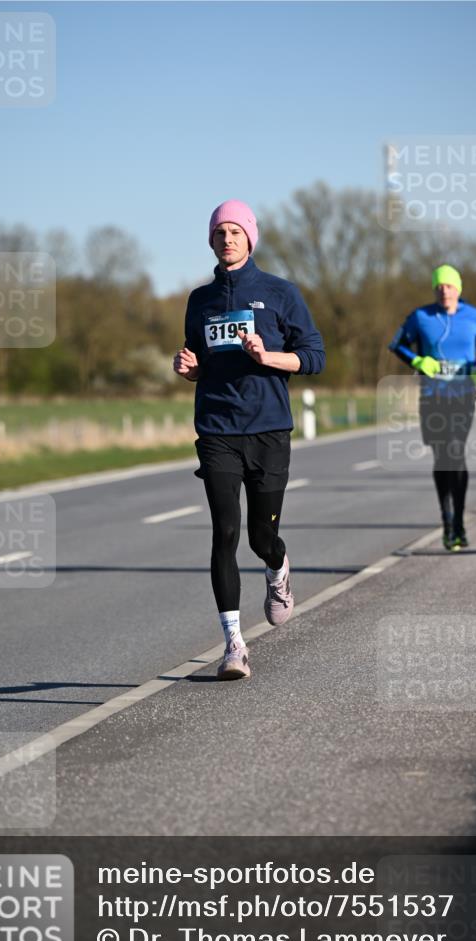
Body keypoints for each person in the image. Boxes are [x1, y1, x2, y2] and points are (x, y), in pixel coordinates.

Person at [174, 199, 325, 679]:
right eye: (220, 232)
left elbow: (315, 357)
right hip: (217, 429)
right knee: (225, 533)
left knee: (262, 536)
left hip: (268, 428)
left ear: (250, 237)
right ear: (211, 240)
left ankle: (278, 569)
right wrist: (190, 371)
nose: (227, 239)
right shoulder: (200, 300)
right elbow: (200, 364)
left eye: (236, 231)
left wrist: (268, 357)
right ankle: (234, 645)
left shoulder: (281, 293)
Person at [389, 264, 476, 551]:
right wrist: (418, 361)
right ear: (434, 290)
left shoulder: (474, 316)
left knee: (456, 452)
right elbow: (396, 344)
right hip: (432, 396)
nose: (444, 290)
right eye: (439, 286)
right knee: (441, 457)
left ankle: (458, 521)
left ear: (458, 288)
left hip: (462, 395)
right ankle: (447, 520)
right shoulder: (421, 316)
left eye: (449, 285)